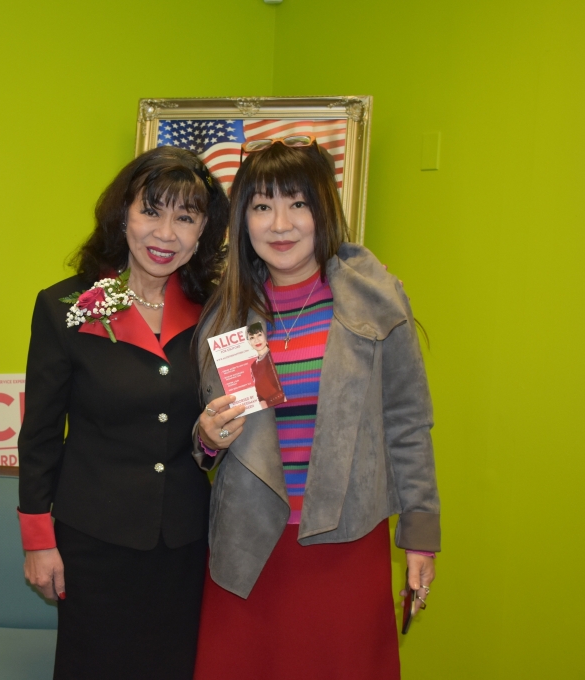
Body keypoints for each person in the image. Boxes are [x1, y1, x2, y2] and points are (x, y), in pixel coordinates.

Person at [192, 138, 440, 679]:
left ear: (323, 210)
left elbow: (407, 424)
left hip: (345, 543)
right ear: (243, 221)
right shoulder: (226, 313)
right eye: (262, 206)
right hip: (249, 546)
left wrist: (420, 535)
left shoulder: (375, 301)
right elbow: (207, 444)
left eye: (298, 203)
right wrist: (207, 438)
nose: (280, 224)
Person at [17, 146, 229, 680]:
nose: (165, 234)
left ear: (203, 231)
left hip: (184, 543)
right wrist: (38, 541)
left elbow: (224, 430)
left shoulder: (216, 311)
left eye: (185, 218)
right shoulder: (65, 307)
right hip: (93, 540)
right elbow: (40, 434)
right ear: (123, 215)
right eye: (151, 211)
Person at [245, 322, 284, 408]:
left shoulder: (274, 356)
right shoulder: (253, 366)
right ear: (249, 342)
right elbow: (260, 395)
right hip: (269, 411)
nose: (256, 340)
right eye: (252, 337)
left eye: (259, 335)